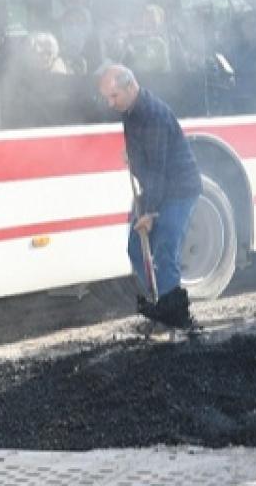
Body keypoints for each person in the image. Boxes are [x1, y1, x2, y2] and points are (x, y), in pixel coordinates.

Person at [97, 64, 203, 329]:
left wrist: (150, 213)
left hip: (179, 189)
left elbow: (157, 169)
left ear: (130, 86)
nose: (110, 103)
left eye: (114, 96)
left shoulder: (154, 114)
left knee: (165, 247)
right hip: (157, 189)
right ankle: (161, 304)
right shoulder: (129, 112)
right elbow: (146, 164)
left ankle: (178, 317)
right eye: (107, 98)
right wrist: (132, 158)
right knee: (135, 248)